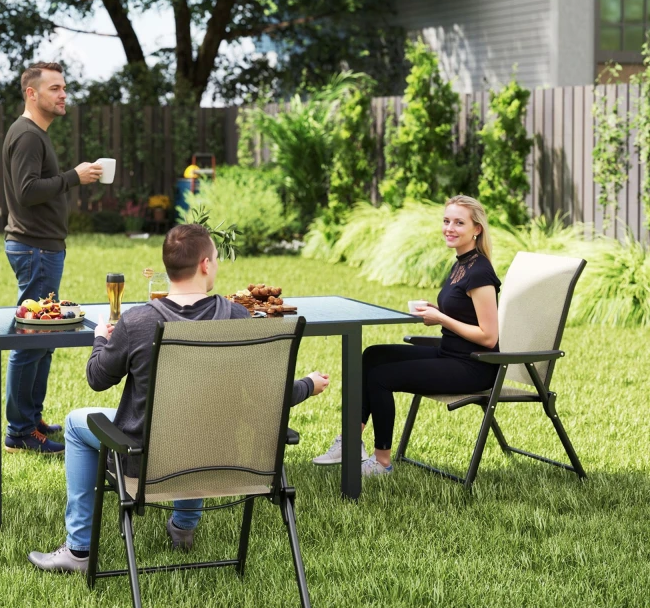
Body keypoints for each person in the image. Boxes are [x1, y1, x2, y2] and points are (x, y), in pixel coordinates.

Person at [28, 223, 330, 573]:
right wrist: (308, 384)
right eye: (216, 259)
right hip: (221, 459)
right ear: (205, 264)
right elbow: (270, 394)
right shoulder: (237, 316)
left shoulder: (138, 322)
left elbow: (97, 378)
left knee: (75, 423)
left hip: (149, 464)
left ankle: (79, 550)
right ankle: (184, 526)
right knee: (198, 415)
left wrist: (100, 338)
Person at [312, 195, 500, 476]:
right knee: (372, 355)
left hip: (474, 366)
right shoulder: (462, 264)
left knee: (381, 376)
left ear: (477, 229)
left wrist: (441, 318)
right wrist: (438, 311)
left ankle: (382, 462)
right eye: (446, 221)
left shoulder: (480, 272)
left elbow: (488, 337)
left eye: (459, 223)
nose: (449, 228)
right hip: (450, 354)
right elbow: (466, 313)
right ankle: (350, 441)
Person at [2, 61, 103, 454]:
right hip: (36, 249)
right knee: (32, 340)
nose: (63, 95)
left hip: (41, 248)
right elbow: (27, 191)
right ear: (32, 93)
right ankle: (20, 432)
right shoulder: (28, 135)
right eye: (55, 88)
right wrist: (73, 177)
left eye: (63, 88)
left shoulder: (34, 134)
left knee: (43, 339)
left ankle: (31, 419)